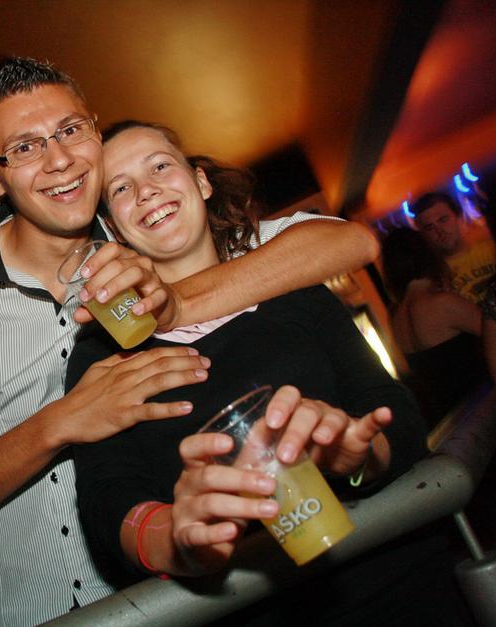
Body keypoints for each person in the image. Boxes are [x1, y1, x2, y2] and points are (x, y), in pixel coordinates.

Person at [0, 58, 379, 626]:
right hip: (23, 611)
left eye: (71, 130)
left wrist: (176, 302)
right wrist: (59, 423)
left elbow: (344, 244)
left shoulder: (142, 228)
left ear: (95, 132)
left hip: (163, 599)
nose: (59, 159)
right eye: (24, 147)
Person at [69, 121, 467, 624]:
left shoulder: (293, 289)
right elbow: (108, 500)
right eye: (121, 188)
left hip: (403, 581)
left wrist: (358, 453)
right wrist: (175, 535)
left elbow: (396, 416)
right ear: (113, 225)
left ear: (201, 182)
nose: (146, 190)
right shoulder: (102, 351)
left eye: (160, 166)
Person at [381, 227, 489, 427]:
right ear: (427, 254)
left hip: (449, 418)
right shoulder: (442, 303)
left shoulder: (395, 315)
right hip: (482, 407)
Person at [413, 191, 496, 304]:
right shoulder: (434, 279)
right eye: (430, 227)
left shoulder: (495, 248)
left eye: (443, 220)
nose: (439, 230)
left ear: (459, 218)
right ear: (423, 235)